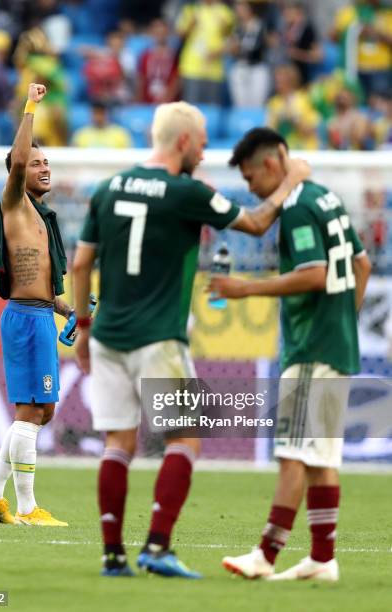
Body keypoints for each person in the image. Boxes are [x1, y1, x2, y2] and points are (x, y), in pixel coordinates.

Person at [72, 102, 310, 577]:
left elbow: (80, 264)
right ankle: (157, 547)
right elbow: (258, 223)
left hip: (108, 335)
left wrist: (83, 327)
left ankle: (113, 555)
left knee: (118, 443)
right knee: (185, 440)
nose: (204, 151)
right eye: (201, 142)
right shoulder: (186, 192)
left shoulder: (107, 188)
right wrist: (292, 179)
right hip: (159, 336)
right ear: (182, 141)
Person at [209, 127, 372, 581]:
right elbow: (363, 264)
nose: (250, 188)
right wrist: (344, 321)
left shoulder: (298, 209)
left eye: (250, 177)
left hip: (312, 346)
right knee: (320, 459)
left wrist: (245, 289)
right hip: (333, 343)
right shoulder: (325, 197)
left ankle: (266, 554)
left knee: (293, 455)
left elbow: (315, 274)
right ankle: (322, 559)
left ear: (272, 164)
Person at [0, 83, 73, 527]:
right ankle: (29, 509)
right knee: (30, 412)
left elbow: (39, 283)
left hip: (38, 317)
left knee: (43, 411)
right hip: (25, 321)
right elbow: (15, 160)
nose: (44, 168)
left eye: (47, 161)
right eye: (35, 163)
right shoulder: (14, 202)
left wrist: (69, 312)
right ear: (19, 171)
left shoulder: (41, 217)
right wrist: (31, 105)